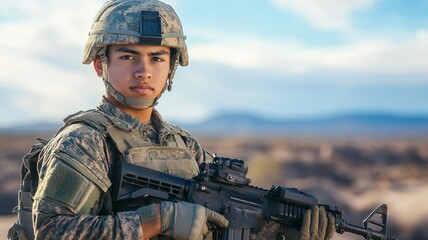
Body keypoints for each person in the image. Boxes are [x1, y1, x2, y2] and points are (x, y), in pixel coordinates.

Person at [29, 0, 336, 239]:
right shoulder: (86, 141)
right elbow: (52, 231)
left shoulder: (184, 145)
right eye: (127, 56)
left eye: (157, 58)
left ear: (171, 67)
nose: (143, 71)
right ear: (100, 64)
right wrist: (157, 220)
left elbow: (220, 227)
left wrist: (282, 232)